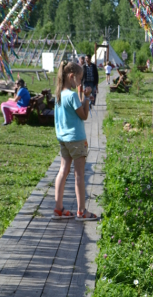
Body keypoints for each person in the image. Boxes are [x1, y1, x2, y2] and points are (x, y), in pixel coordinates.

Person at [52, 61, 99, 221]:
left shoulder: (59, 94)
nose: (80, 82)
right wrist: (86, 98)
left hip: (63, 139)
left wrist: (81, 96)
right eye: (79, 79)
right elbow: (84, 115)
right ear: (71, 77)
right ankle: (81, 211)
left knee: (63, 171)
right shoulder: (72, 95)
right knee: (79, 175)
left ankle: (58, 208)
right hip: (77, 139)